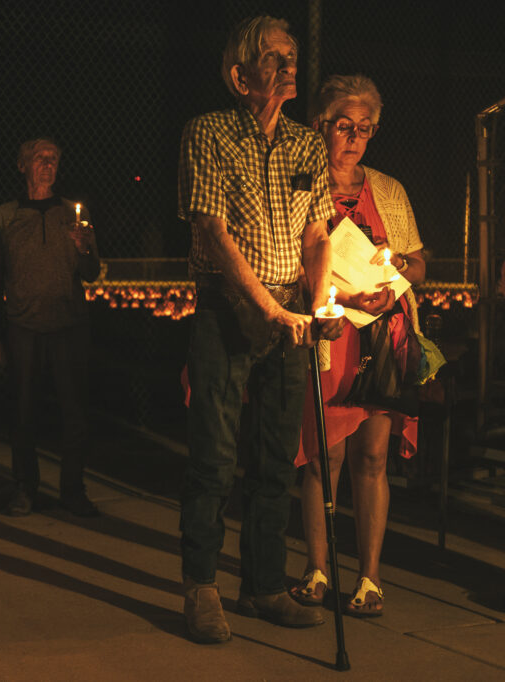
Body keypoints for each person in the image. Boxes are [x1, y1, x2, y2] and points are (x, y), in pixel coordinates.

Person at [176, 16, 345, 643]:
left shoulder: (306, 144)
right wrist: (268, 309)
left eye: (293, 56)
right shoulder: (209, 133)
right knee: (215, 457)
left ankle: (264, 586)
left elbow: (319, 234)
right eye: (275, 57)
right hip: (229, 308)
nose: (289, 66)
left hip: (290, 310)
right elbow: (215, 234)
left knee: (277, 456)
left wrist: (318, 303)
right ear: (240, 74)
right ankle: (201, 589)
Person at [291, 75, 426, 617]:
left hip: (382, 336)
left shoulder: (388, 190)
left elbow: (418, 262)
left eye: (364, 129)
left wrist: (396, 268)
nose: (354, 138)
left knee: (373, 456)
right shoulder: (301, 186)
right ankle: (318, 567)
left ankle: (369, 577)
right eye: (343, 126)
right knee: (325, 458)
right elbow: (289, 260)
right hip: (331, 338)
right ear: (321, 125)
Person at [0, 138, 100, 518]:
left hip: (69, 325)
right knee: (23, 409)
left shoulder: (73, 214)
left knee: (74, 411)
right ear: (22, 165)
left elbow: (90, 274)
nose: (48, 164)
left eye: (54, 159)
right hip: (22, 324)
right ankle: (25, 487)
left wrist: (85, 247)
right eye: (40, 158)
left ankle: (73, 490)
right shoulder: (5, 216)